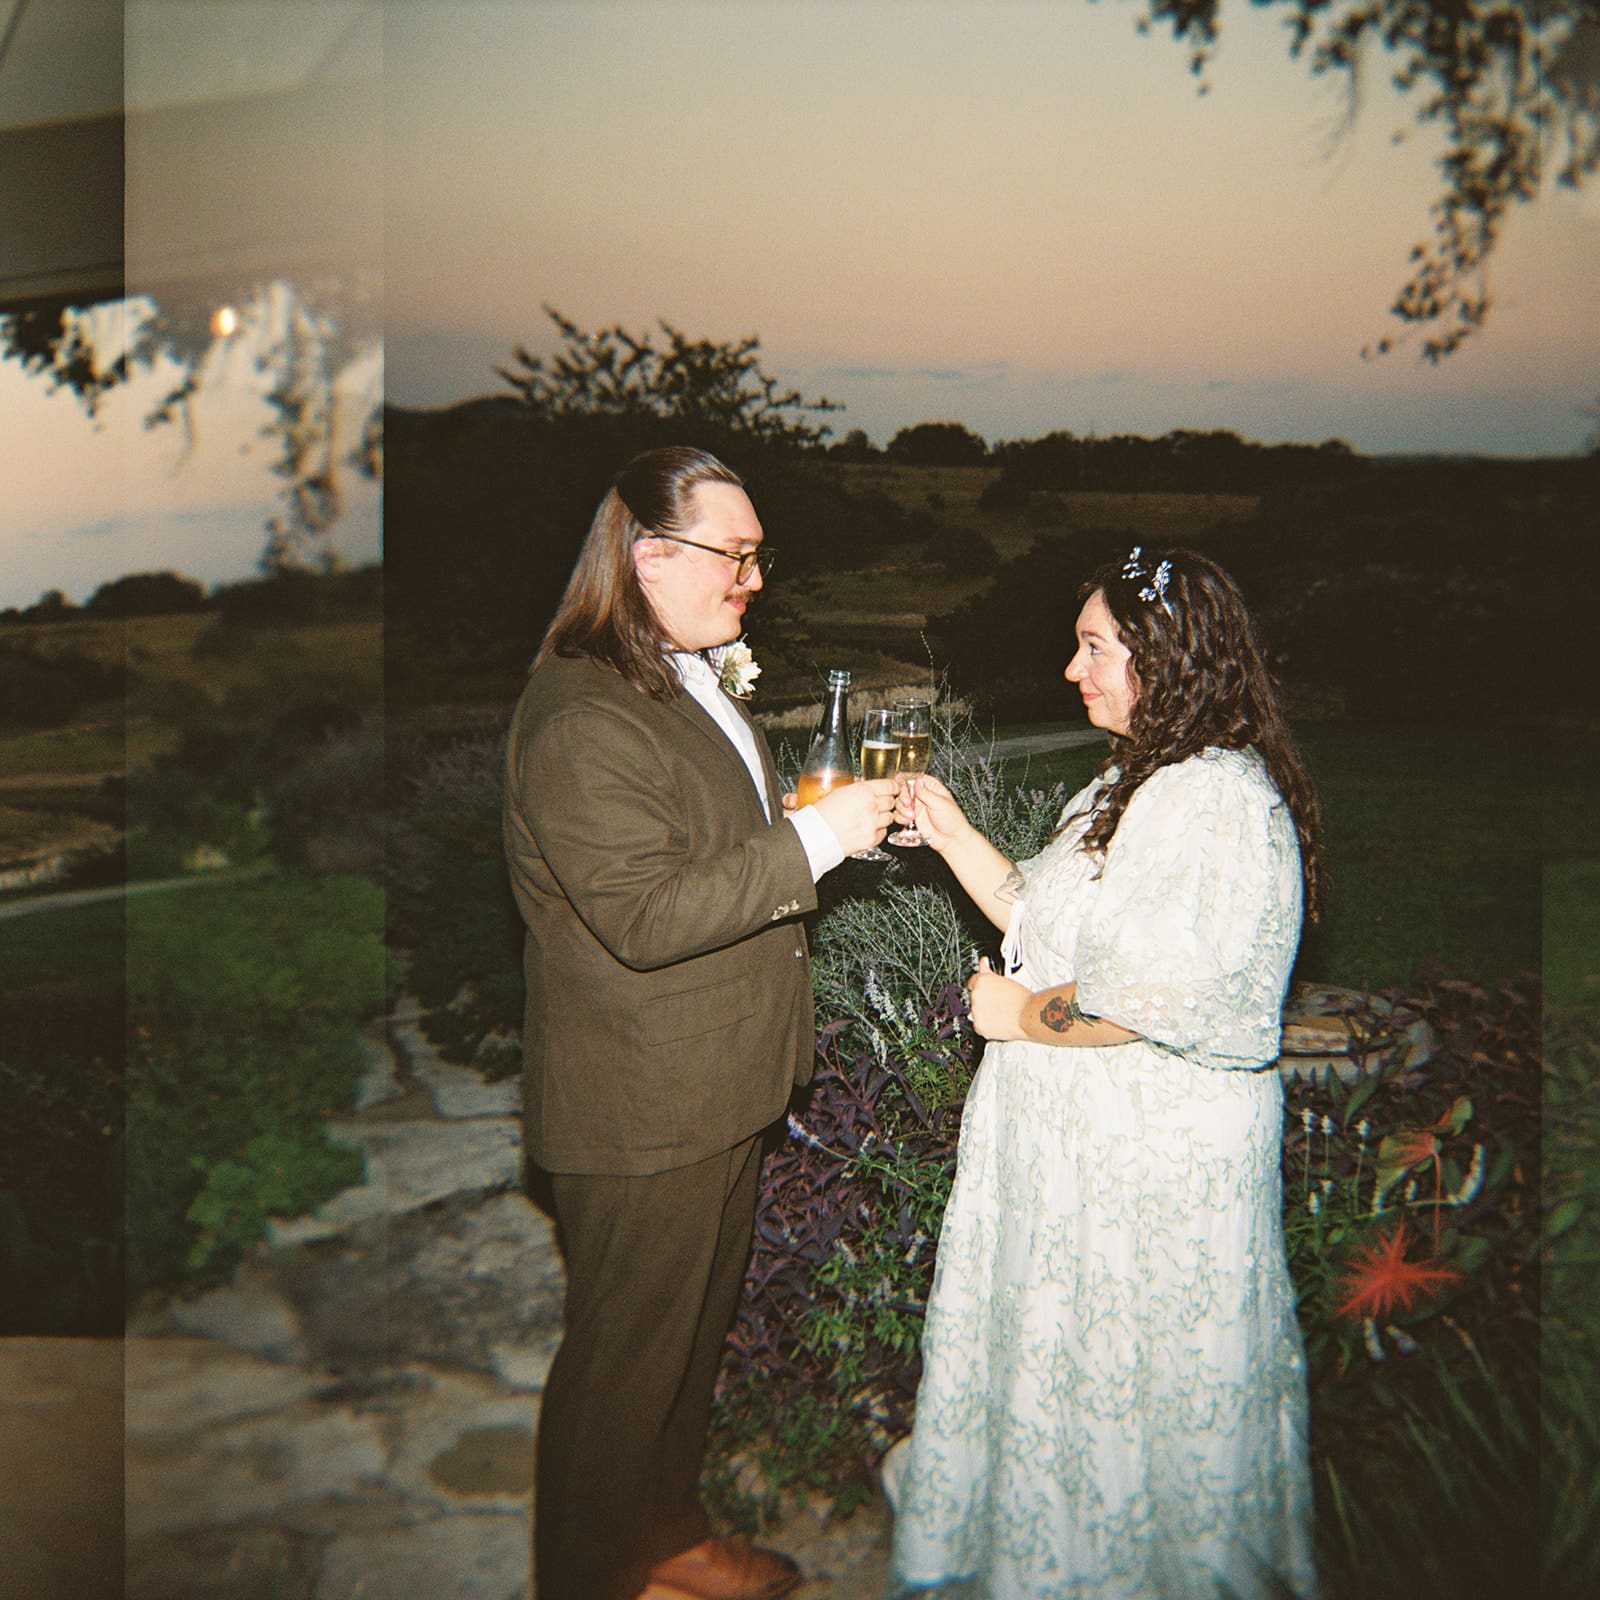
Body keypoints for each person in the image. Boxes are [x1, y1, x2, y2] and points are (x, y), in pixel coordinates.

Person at [883, 547, 1324, 1600]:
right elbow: (1044, 913)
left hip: (1151, 1174)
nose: (1070, 668)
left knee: (1139, 1383)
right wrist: (945, 827)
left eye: (1093, 646)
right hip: (1085, 1167)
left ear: (1165, 658)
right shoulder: (1129, 781)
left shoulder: (1213, 802)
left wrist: (1018, 1016)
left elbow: (1149, 998)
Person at [503, 446, 897, 1600]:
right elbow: (641, 911)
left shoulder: (676, 674)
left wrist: (810, 820)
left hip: (713, 1082)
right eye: (735, 554)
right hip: (643, 1106)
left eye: (756, 554)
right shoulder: (580, 713)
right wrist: (817, 843)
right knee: (622, 1373)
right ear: (648, 557)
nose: (754, 578)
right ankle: (588, 1576)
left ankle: (664, 1541)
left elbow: (704, 837)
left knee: (682, 1353)